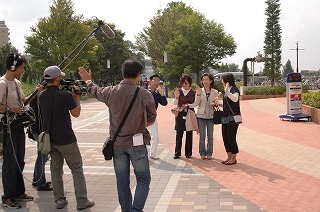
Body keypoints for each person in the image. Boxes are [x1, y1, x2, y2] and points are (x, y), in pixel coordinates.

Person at [78, 59, 156, 212]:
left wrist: (88, 80)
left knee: (122, 182)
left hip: (118, 145)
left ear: (123, 73)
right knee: (143, 179)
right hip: (137, 144)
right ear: (138, 74)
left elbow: (95, 91)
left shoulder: (110, 92)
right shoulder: (144, 94)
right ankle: (136, 210)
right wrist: (138, 123)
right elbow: (152, 117)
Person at [38, 66, 94, 210]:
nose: (61, 79)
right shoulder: (65, 95)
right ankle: (82, 201)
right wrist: (77, 98)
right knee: (76, 168)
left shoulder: (41, 96)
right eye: (60, 77)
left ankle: (59, 200)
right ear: (57, 78)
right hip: (66, 139)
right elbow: (76, 113)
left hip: (51, 140)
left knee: (56, 170)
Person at [0, 53, 41, 209]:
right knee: (10, 162)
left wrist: (36, 91)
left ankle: (18, 192)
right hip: (7, 127)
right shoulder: (2, 83)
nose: (23, 69)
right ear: (13, 67)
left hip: (17, 126)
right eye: (22, 67)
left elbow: (24, 102)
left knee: (20, 159)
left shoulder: (16, 83)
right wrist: (11, 109)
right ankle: (8, 197)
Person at [189, 73, 219, 160]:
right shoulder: (199, 91)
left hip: (211, 117)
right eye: (203, 80)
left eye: (206, 79)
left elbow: (217, 103)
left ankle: (209, 153)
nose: (204, 81)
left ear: (211, 81)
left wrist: (215, 104)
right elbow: (196, 104)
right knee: (202, 136)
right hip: (201, 116)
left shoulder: (215, 92)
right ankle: (202, 153)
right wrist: (198, 95)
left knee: (210, 136)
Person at [29, 95, 53, 191]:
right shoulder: (40, 96)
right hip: (40, 131)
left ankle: (37, 179)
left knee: (41, 156)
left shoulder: (37, 95)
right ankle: (40, 182)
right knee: (42, 157)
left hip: (37, 130)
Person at [173, 74, 196, 159]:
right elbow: (175, 103)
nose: (184, 85)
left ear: (190, 83)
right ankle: (177, 153)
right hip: (180, 114)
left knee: (189, 133)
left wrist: (188, 105)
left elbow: (195, 104)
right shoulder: (179, 91)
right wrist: (177, 97)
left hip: (189, 114)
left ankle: (188, 153)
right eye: (182, 83)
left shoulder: (193, 92)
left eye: (186, 83)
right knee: (179, 134)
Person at [220, 73, 241, 165]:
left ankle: (233, 158)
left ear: (226, 81)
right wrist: (218, 104)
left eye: (222, 79)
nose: (221, 81)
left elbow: (235, 99)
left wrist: (228, 92)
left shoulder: (234, 89)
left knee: (231, 137)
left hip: (232, 117)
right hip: (225, 117)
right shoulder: (227, 90)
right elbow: (227, 105)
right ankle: (229, 157)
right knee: (225, 137)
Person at [147, 74, 168, 160]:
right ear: (150, 81)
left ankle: (153, 153)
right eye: (154, 80)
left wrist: (162, 95)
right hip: (142, 117)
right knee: (140, 136)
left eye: (158, 81)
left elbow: (164, 103)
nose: (156, 82)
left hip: (152, 117)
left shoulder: (157, 93)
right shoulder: (144, 91)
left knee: (155, 136)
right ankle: (142, 154)